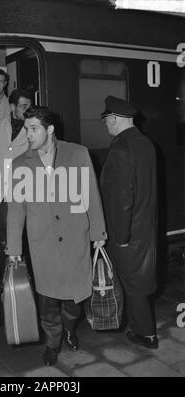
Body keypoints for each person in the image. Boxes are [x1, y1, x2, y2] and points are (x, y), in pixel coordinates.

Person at [5, 106, 107, 366]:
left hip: (76, 238)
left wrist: (98, 232)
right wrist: (14, 247)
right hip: (43, 243)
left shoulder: (78, 153)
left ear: (49, 129)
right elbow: (16, 209)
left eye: (33, 129)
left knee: (76, 296)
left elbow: (92, 196)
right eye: (25, 129)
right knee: (48, 300)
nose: (27, 134)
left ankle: (70, 328)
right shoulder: (20, 164)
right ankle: (52, 343)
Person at [100, 95, 158, 349]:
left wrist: (120, 237)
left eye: (106, 121)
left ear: (113, 119)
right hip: (145, 226)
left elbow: (123, 198)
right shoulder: (146, 143)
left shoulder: (121, 147)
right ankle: (140, 330)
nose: (106, 126)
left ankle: (146, 334)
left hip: (128, 232)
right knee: (139, 282)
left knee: (132, 285)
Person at [0, 88, 32, 249]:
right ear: (12, 107)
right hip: (3, 189)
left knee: (24, 234)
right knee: (5, 234)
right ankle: (9, 270)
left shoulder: (35, 129)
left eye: (29, 107)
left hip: (26, 189)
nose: (27, 111)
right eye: (23, 107)